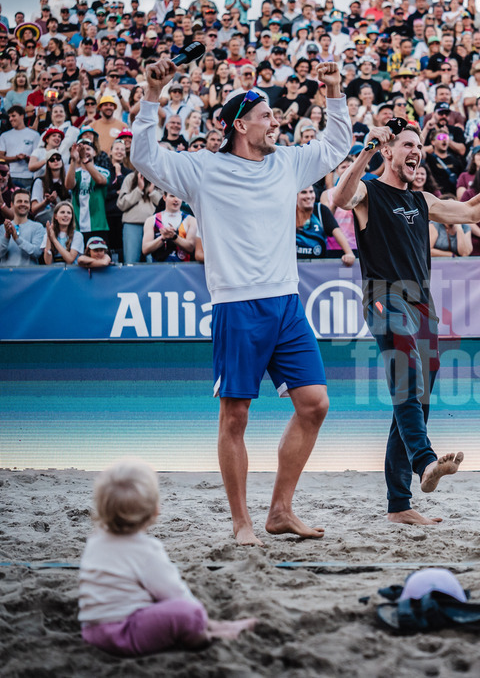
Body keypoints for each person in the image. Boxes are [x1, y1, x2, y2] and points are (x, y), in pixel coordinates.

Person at [131, 58, 352, 546]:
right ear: (239, 125)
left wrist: (334, 91)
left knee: (315, 405)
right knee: (235, 418)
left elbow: (337, 144)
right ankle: (241, 522)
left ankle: (280, 511)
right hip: (237, 306)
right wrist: (152, 93)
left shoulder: (287, 162)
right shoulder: (203, 169)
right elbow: (144, 156)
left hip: (286, 304)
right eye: (266, 115)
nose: (275, 121)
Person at [330, 120, 480, 525]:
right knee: (406, 369)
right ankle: (425, 462)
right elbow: (340, 197)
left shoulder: (423, 200)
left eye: (419, 146)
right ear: (388, 151)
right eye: (407, 145)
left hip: (422, 305)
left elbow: (473, 211)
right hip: (385, 296)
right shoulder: (369, 191)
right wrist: (367, 148)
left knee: (415, 398)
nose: (415, 152)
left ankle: (399, 505)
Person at [78, 459, 256, 657]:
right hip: (124, 633)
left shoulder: (95, 541)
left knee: (162, 604)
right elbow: (174, 593)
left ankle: (215, 626)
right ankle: (207, 635)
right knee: (189, 611)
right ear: (155, 510)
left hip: (92, 632)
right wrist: (197, 614)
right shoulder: (146, 550)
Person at [293, 186, 355, 264]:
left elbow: (336, 231)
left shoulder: (321, 210)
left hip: (318, 265)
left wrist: (349, 253)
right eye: (304, 192)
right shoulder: (290, 212)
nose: (309, 196)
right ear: (295, 196)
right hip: (294, 265)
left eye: (311, 192)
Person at [142, 192, 198, 263]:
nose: (176, 199)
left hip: (183, 268)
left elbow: (191, 248)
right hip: (159, 267)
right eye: (172, 196)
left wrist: (174, 237)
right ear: (164, 197)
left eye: (179, 196)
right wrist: (163, 238)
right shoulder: (152, 220)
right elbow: (145, 249)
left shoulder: (191, 220)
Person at [0, 189, 46, 266]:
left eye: (26, 202)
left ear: (30, 205)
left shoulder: (38, 227)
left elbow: (37, 253)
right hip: (7, 273)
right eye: (19, 201)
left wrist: (17, 239)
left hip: (29, 273)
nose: (23, 204)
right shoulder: (2, 228)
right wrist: (7, 236)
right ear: (12, 204)